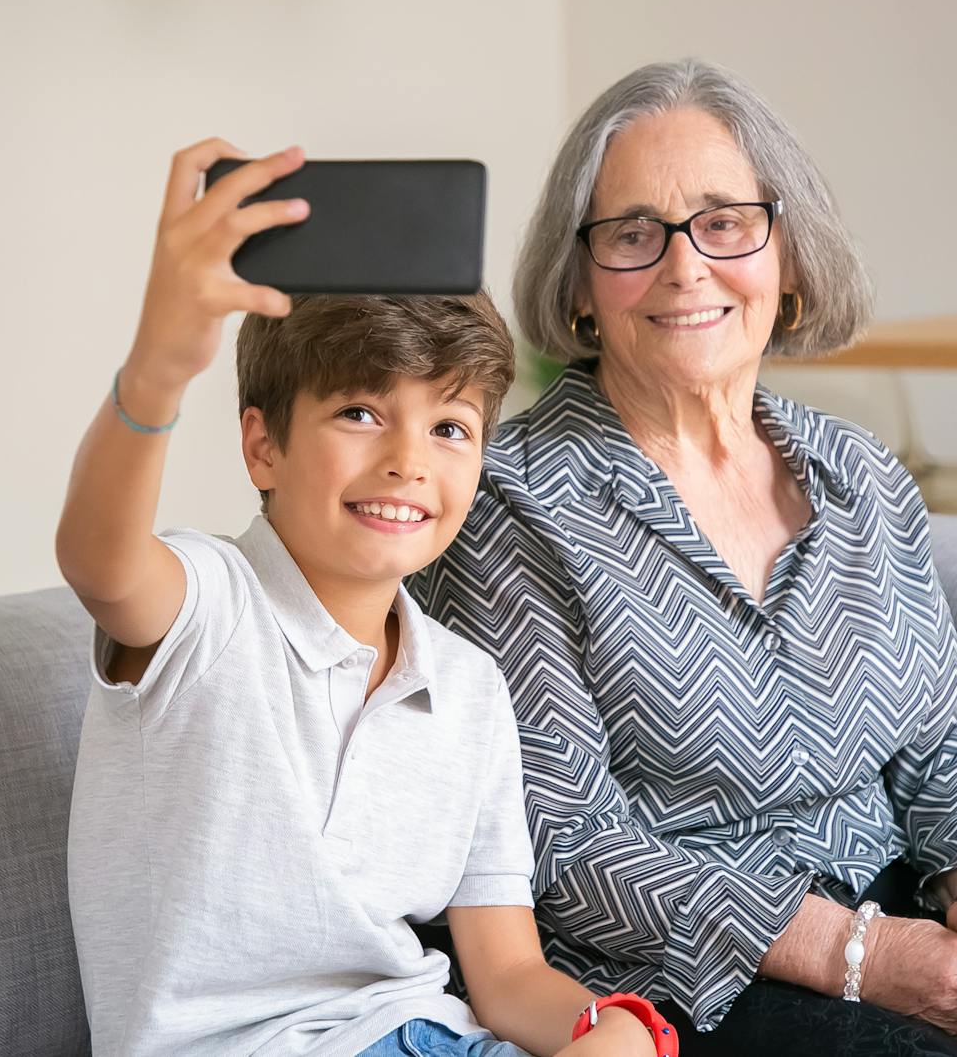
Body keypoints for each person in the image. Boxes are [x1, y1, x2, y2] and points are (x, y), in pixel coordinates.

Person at [410, 60, 957, 1057]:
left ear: (788, 255)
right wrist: (862, 952)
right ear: (576, 285)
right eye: (631, 233)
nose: (684, 265)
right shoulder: (510, 503)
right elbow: (564, 845)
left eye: (725, 221)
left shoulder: (857, 476)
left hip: (916, 913)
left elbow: (944, 739)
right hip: (694, 974)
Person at [59, 140, 677, 1057]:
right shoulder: (211, 608)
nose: (408, 460)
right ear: (263, 446)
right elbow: (101, 561)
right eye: (359, 412)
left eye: (450, 426)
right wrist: (159, 365)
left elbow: (506, 976)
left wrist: (609, 1026)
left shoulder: (468, 688)